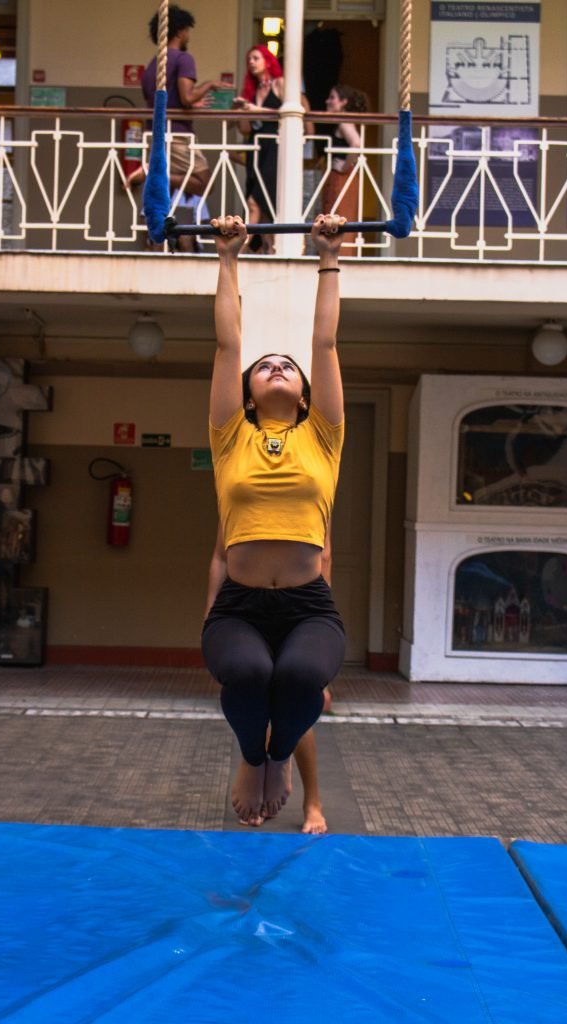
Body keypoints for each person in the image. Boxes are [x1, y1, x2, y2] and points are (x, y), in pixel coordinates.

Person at [201, 212, 347, 824]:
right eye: (265, 366)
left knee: (302, 677)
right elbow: (228, 344)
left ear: (306, 394)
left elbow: (325, 344)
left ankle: (280, 754)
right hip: (241, 605)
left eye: (288, 365)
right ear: (247, 393)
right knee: (250, 670)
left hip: (308, 605)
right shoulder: (229, 436)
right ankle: (250, 756)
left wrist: (328, 255)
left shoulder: (324, 436)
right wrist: (227, 257)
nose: (278, 366)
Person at [206, 524, 334, 833]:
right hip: (248, 612)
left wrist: (322, 640)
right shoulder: (241, 500)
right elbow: (220, 556)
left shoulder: (309, 500)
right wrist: (210, 621)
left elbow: (325, 558)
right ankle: (262, 784)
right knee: (258, 701)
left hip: (301, 611)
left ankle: (312, 802)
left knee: (293, 709)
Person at [139, 6, 227, 202]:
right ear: (180, 31)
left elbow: (164, 99)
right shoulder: (183, 58)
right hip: (176, 134)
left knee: (165, 197)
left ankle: (158, 219)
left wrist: (189, 106)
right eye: (187, 30)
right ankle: (152, 175)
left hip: (154, 132)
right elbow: (187, 96)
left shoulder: (154, 63)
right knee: (205, 183)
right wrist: (209, 85)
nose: (188, 36)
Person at [234, 46, 313, 255]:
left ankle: (238, 250)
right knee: (264, 209)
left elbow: (289, 113)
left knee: (255, 202)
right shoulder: (252, 91)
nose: (251, 62)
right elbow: (245, 129)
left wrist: (256, 110)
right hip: (257, 149)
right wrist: (242, 111)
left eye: (256, 58)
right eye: (249, 59)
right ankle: (268, 250)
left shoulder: (280, 83)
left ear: (268, 61)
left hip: (275, 149)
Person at [321, 86, 368, 253]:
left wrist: (344, 165)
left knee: (339, 220)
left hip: (343, 179)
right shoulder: (342, 121)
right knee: (335, 221)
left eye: (332, 97)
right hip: (341, 178)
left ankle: (339, 258)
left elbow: (356, 143)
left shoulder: (344, 121)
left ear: (343, 102)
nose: (328, 101)